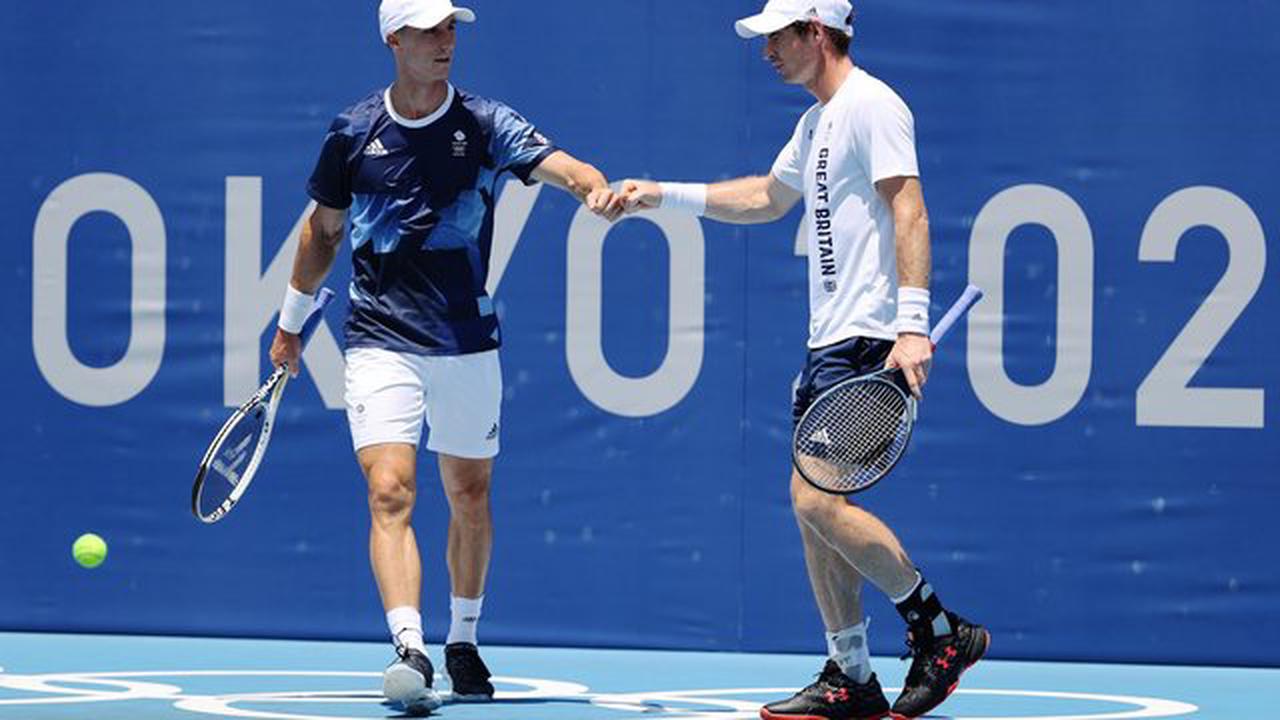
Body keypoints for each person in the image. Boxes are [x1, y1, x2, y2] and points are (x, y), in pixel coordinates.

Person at [619, 1, 988, 718]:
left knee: (813, 497)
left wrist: (911, 326)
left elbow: (908, 207)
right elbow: (765, 196)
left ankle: (940, 630)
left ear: (816, 33)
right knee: (815, 510)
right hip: (828, 341)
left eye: (777, 38)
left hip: (872, 337)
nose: (766, 52)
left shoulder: (873, 105)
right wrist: (660, 196)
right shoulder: (816, 121)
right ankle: (850, 672)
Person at [269, 0, 622, 713]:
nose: (445, 41)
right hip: (378, 338)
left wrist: (591, 187)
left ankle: (462, 636)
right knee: (390, 489)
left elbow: (562, 165)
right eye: (430, 29)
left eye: (451, 29)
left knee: (469, 494)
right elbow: (323, 234)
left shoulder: (487, 124)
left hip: (466, 340)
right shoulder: (352, 133)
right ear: (393, 39)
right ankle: (411, 649)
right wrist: (291, 323)